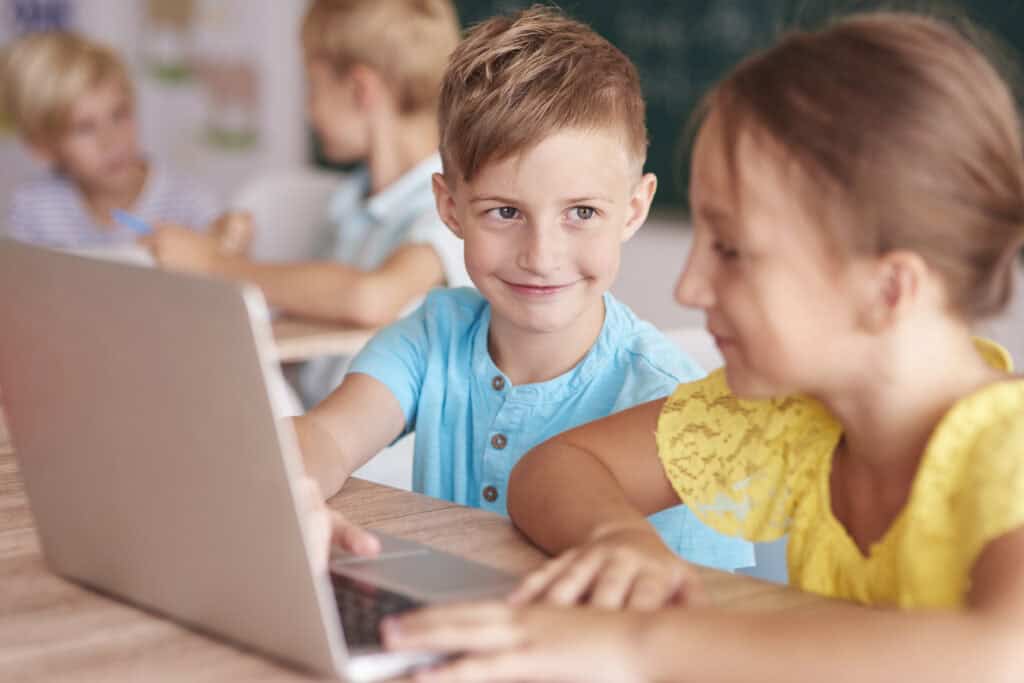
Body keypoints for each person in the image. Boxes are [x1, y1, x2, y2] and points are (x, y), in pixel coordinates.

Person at [380, 12, 1024, 682]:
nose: (689, 286)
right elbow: (553, 468)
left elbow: (1003, 655)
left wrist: (639, 645)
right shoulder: (791, 415)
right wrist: (618, 536)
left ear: (888, 288)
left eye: (732, 250)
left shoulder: (1011, 449)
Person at [299, 6, 753, 570]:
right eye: (505, 212)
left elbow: (700, 615)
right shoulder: (432, 335)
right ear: (450, 208)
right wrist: (294, 485)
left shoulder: (671, 403)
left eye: (581, 212)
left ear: (633, 210)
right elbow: (326, 437)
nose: (541, 256)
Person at [140, 0, 473, 408]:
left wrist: (216, 266)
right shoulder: (349, 205)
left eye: (312, 86)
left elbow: (370, 297)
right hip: (312, 422)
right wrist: (234, 262)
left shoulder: (451, 207)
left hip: (380, 457)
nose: (307, 109)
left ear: (359, 89)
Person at [1, 31, 220, 248]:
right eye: (84, 127)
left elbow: (222, 267)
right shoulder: (33, 210)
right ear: (43, 147)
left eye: (119, 115)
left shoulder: (189, 207)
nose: (111, 140)